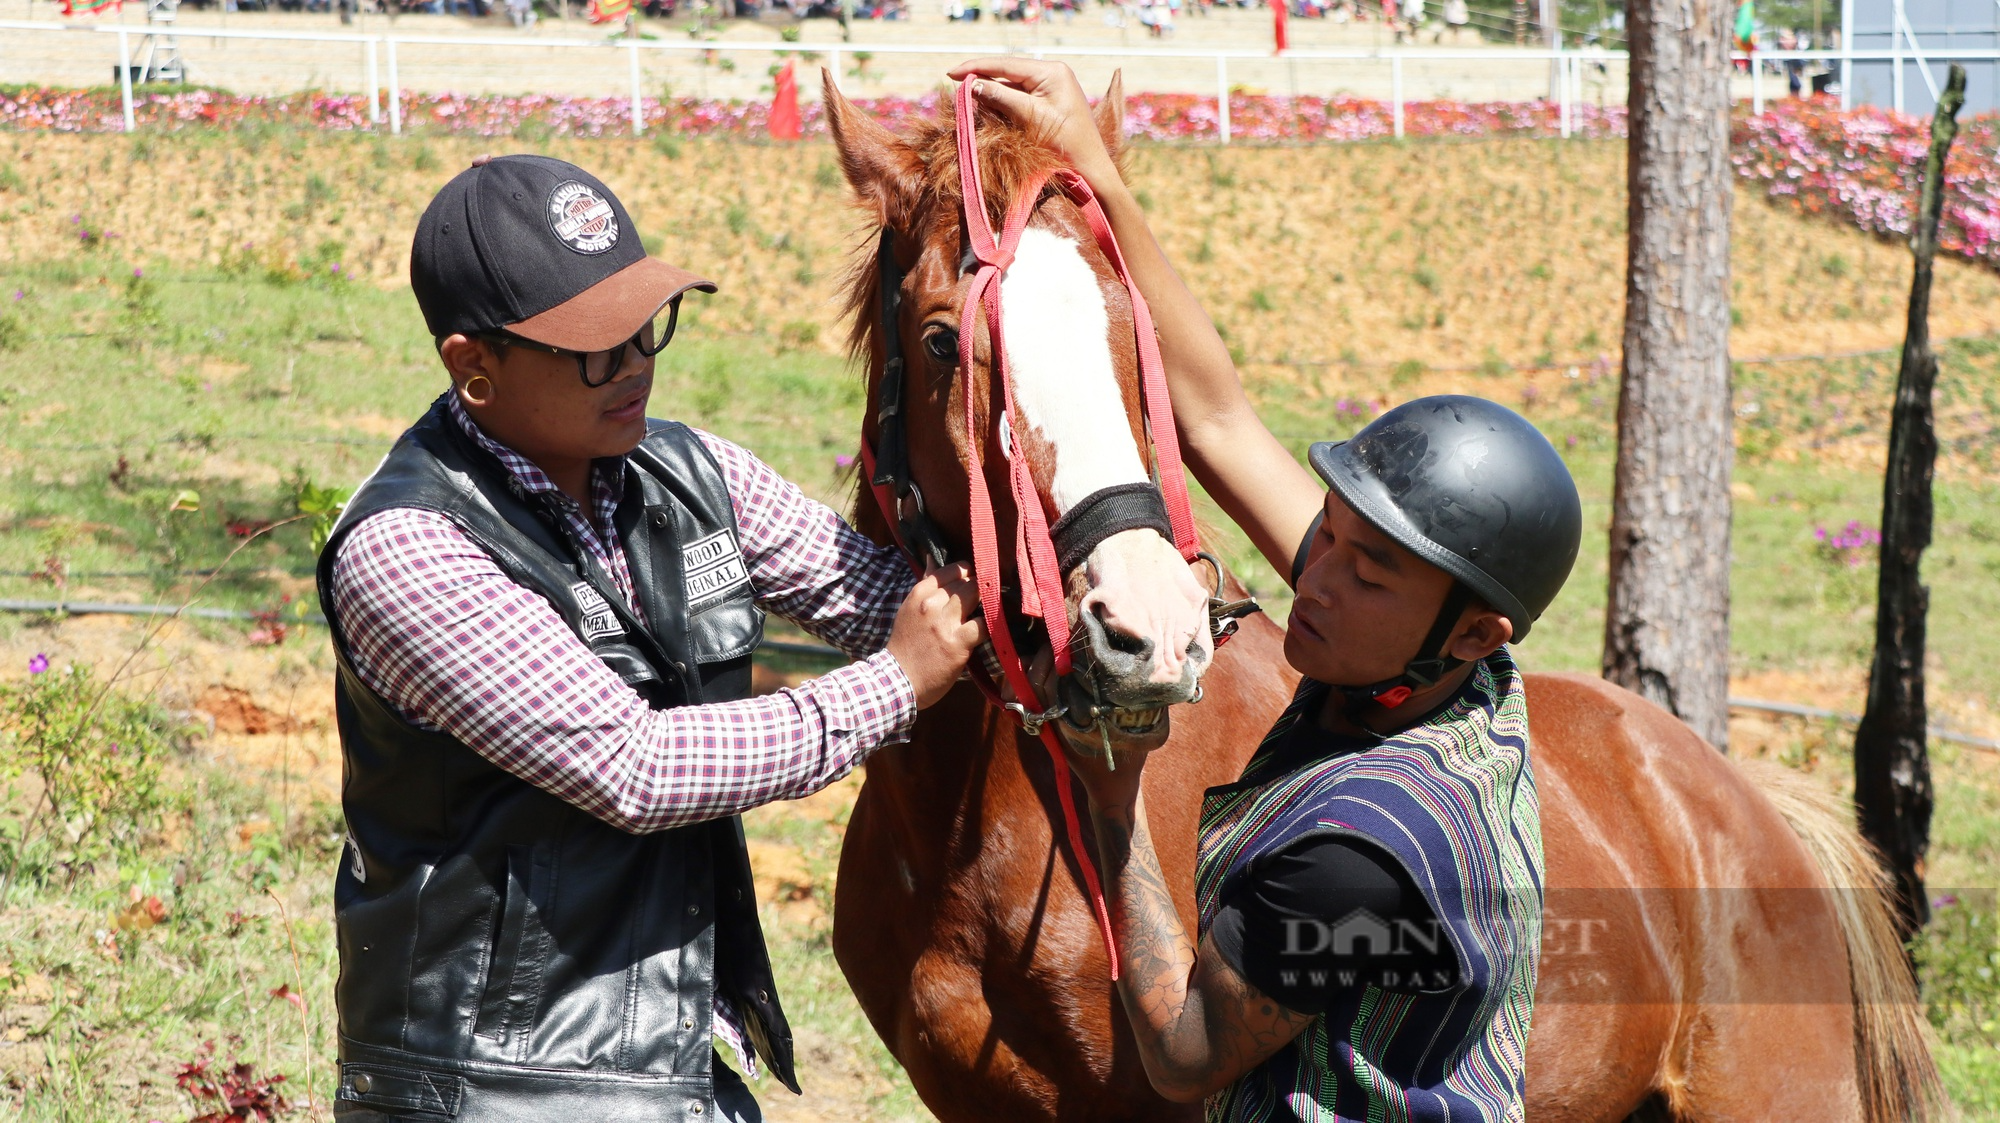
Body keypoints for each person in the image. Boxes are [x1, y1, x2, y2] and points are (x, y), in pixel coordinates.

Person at [947, 58, 1582, 1120]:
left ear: (1476, 631)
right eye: (1322, 537)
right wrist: (1097, 169)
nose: (1312, 580)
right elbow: (1218, 420)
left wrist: (1109, 809)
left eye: (1359, 569)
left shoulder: (1359, 852)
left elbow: (1186, 1052)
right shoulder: (1430, 656)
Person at [319, 154, 984, 1123]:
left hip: (669, 1060)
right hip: (492, 1084)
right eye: (593, 346)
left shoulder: (684, 472)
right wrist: (891, 684)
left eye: (644, 326)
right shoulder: (412, 549)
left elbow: (876, 589)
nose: (633, 361)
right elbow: (636, 768)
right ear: (473, 369)